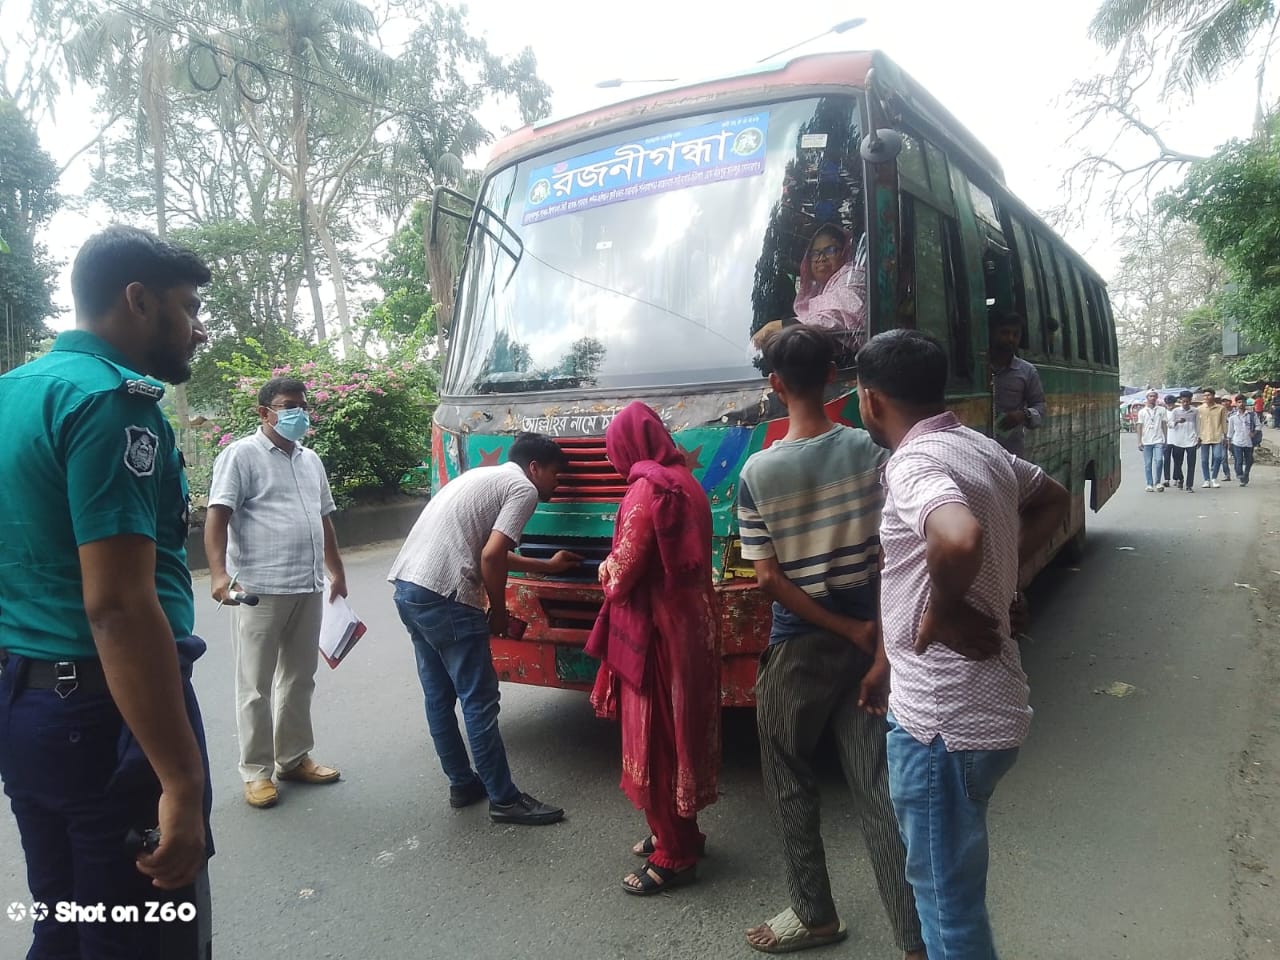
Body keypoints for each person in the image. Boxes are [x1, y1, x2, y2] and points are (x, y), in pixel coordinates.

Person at [0, 225, 214, 957]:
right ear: (138, 301)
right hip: (106, 717)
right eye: (187, 308)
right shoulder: (111, 405)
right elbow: (119, 607)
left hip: (26, 707)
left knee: (65, 926)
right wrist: (182, 782)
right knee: (142, 935)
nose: (197, 327)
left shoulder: (13, 396)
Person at [854, 328, 1069, 960]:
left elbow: (957, 536)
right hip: (978, 709)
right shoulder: (978, 445)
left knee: (948, 909)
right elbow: (1051, 498)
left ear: (870, 400)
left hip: (944, 726)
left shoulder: (914, 462)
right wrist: (1007, 580)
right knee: (946, 893)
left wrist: (941, 615)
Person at [739, 327, 925, 957]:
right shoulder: (874, 455)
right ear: (836, 380)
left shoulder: (758, 472)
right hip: (875, 636)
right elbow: (895, 550)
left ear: (775, 386)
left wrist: (843, 627)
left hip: (801, 646)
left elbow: (767, 577)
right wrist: (873, 641)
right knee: (879, 789)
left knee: (789, 776)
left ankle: (815, 914)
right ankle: (916, 938)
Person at [388, 433, 580, 825]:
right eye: (557, 477)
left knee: (439, 696)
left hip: (410, 587)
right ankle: (504, 799)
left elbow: (489, 550)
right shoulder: (522, 489)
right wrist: (494, 609)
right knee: (479, 700)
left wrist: (548, 567)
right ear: (535, 469)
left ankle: (462, 783)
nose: (556, 486)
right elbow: (491, 556)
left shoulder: (480, 477)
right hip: (448, 595)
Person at [584, 402, 720, 895]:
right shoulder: (685, 481)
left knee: (658, 741)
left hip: (657, 637)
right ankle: (682, 830)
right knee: (680, 732)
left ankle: (675, 855)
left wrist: (602, 567)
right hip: (691, 626)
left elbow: (622, 574)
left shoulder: (647, 488)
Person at [205, 377, 348, 809]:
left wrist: (336, 570)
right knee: (255, 685)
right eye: (288, 406)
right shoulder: (240, 455)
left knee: (300, 678)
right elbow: (217, 516)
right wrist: (218, 575)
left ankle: (293, 758)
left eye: (302, 406)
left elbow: (323, 519)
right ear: (264, 412)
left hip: (307, 585)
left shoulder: (310, 460)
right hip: (258, 589)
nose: (298, 413)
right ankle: (256, 772)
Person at [752, 223, 868, 351]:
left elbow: (836, 319)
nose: (821, 258)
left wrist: (783, 325)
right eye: (815, 253)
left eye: (830, 250)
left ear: (845, 252)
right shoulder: (820, 290)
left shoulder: (854, 277)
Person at [989, 310, 1047, 457]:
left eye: (1016, 335)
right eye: (1005, 333)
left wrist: (1023, 415)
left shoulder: (1027, 371)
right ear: (993, 333)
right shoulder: (977, 366)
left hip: (1010, 455)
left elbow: (1040, 407)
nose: (1010, 339)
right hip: (977, 454)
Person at [1136, 389, 1169, 492]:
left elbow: (1164, 424)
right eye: (1150, 396)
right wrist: (1139, 441)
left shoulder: (1162, 410)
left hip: (1158, 439)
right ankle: (1149, 484)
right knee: (1148, 463)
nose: (1152, 398)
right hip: (1146, 441)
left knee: (1159, 460)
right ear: (1147, 398)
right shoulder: (1142, 412)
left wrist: (1166, 439)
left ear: (1157, 398)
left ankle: (1158, 482)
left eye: (1154, 396)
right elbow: (1139, 426)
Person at [1167, 390, 1200, 492]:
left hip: (1191, 440)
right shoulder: (1175, 411)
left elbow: (1198, 425)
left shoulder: (1195, 411)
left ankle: (1189, 485)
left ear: (1190, 401)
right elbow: (1170, 425)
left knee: (1191, 463)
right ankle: (1180, 478)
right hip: (1178, 441)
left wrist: (1199, 437)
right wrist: (1177, 421)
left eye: (1187, 401)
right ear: (1180, 400)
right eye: (1183, 401)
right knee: (1177, 463)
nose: (1185, 404)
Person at [1198, 388, 1228, 486]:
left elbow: (1224, 423)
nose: (1206, 397)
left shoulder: (1221, 408)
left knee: (1218, 457)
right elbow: (1197, 424)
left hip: (1217, 436)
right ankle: (1206, 479)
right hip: (1204, 437)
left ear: (1213, 396)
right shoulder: (1199, 409)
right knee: (1204, 460)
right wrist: (1197, 436)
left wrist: (1225, 436)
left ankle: (1214, 478)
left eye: (1209, 395)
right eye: (1205, 395)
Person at [1227, 395, 1258, 487]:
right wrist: (1229, 443)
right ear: (1236, 404)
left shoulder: (1252, 415)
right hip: (1237, 442)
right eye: (1239, 402)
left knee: (1249, 460)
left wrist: (1254, 433)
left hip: (1249, 442)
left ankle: (1246, 473)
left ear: (1246, 403)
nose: (1241, 404)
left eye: (1243, 402)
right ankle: (1241, 476)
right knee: (1238, 460)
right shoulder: (1232, 417)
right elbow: (1230, 431)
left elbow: (1258, 425)